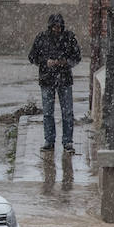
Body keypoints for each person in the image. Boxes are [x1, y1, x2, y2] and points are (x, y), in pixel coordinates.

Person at [27, 13, 81, 153]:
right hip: (47, 79)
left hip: (64, 79)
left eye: (59, 27)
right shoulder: (42, 38)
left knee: (67, 112)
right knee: (48, 112)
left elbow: (77, 57)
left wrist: (65, 62)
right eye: (54, 27)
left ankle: (67, 141)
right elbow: (32, 57)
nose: (57, 30)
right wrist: (45, 62)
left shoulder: (69, 38)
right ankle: (49, 140)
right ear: (50, 27)